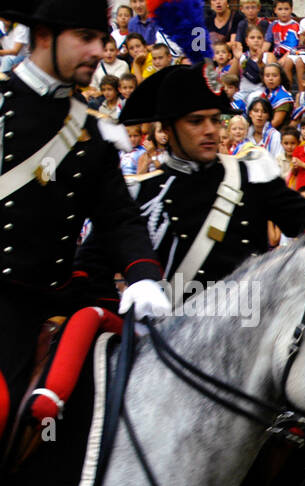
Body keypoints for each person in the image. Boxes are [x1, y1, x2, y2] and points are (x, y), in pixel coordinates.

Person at [0, 0, 168, 436]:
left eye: (101, 39)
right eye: (85, 38)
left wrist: (144, 274)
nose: (98, 50)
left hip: (57, 298)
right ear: (43, 38)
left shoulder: (93, 130)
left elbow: (118, 217)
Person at [110, 65, 305, 305]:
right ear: (168, 129)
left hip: (248, 323)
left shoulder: (251, 174)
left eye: (215, 120)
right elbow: (95, 265)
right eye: (196, 121)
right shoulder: (145, 192)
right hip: (173, 331)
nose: (210, 130)